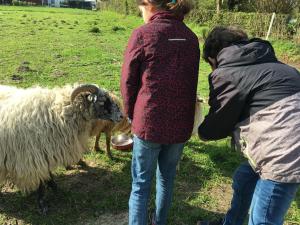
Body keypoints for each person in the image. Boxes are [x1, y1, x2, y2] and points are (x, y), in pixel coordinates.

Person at [197, 26, 300, 225]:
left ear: (213, 58)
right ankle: (232, 222)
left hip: (284, 152)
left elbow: (219, 122)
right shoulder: (277, 65)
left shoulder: (228, 73)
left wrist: (200, 131)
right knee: (244, 178)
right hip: (287, 141)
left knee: (263, 218)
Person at [120, 0, 200, 225]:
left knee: (141, 185)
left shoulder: (143, 34)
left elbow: (128, 81)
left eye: (141, 9)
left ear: (149, 5)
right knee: (167, 179)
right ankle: (159, 221)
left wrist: (130, 115)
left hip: (149, 123)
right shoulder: (191, 38)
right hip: (180, 124)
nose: (141, 14)